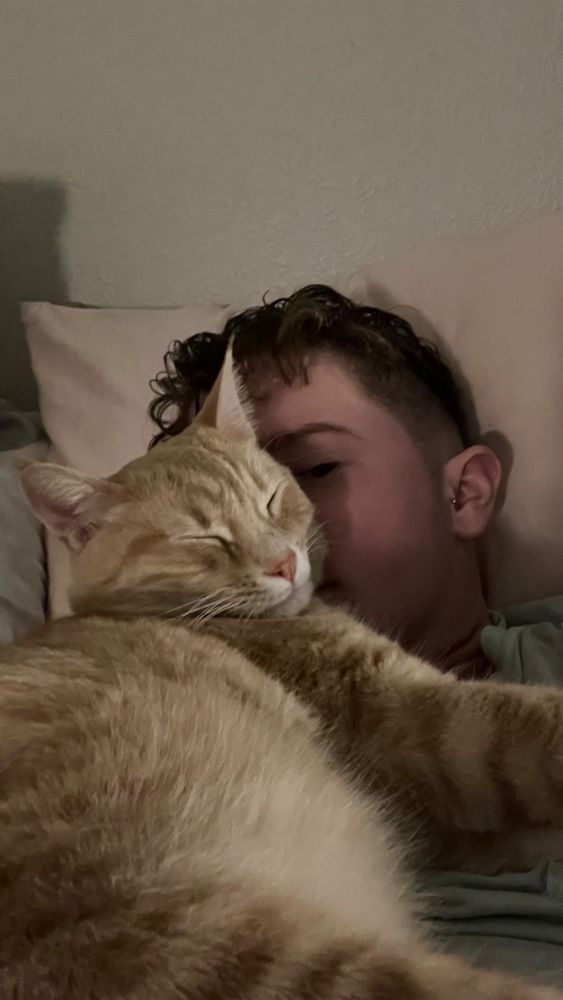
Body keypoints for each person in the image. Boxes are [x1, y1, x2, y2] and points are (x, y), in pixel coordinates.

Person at [149, 284, 563, 986]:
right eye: (202, 519)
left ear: (462, 494)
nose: (262, 539)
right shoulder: (152, 720)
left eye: (310, 469)